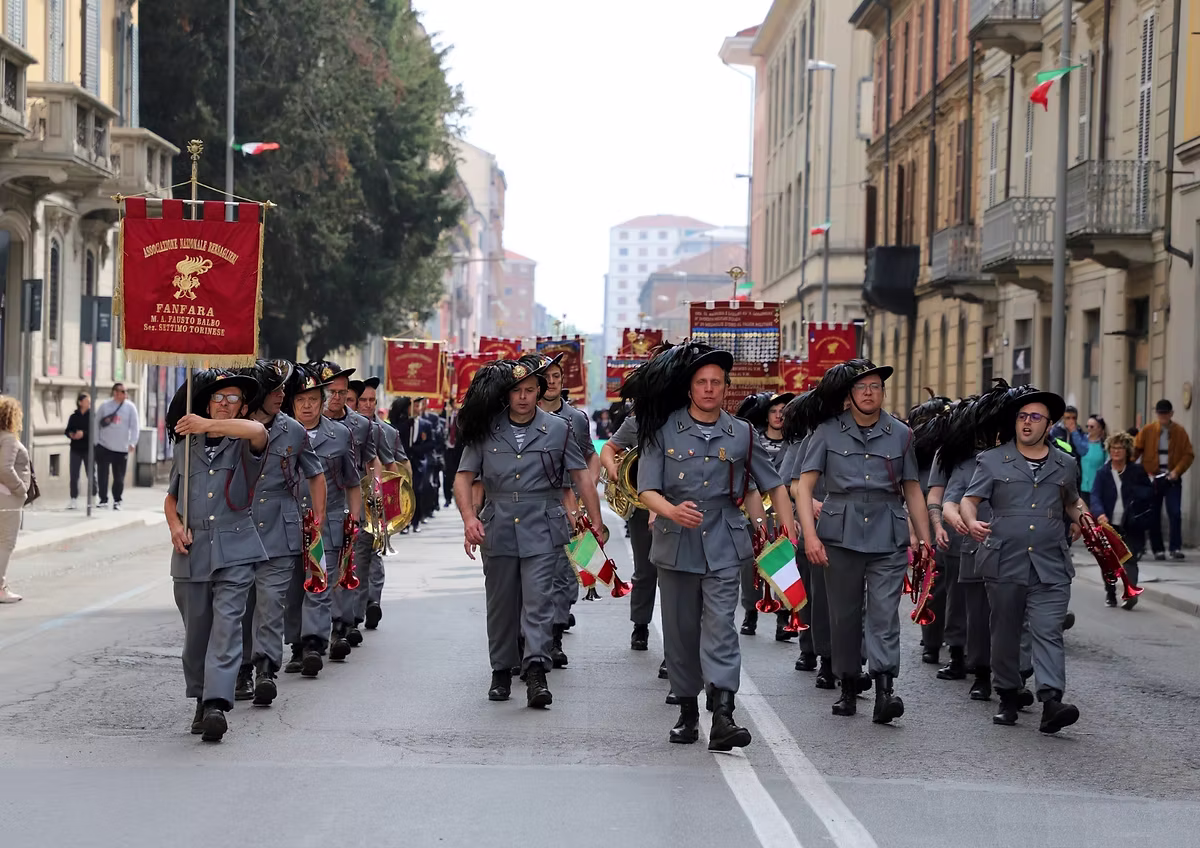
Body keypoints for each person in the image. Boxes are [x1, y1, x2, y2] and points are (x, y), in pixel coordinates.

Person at [631, 342, 794, 750]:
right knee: (682, 631)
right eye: (701, 382)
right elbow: (646, 489)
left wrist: (782, 530)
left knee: (721, 625)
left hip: (725, 538)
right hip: (675, 541)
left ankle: (723, 713)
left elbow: (769, 483)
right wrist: (670, 511)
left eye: (716, 383)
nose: (708, 389)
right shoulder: (661, 429)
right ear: (690, 389)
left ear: (726, 389)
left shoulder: (741, 434)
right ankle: (688, 713)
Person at [453, 358, 601, 709]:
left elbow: (580, 476)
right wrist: (468, 518)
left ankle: (536, 672)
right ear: (507, 394)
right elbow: (464, 475)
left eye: (530, 390)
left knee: (539, 602)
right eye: (517, 391)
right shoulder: (486, 428)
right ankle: (502, 671)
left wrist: (594, 522)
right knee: (502, 604)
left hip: (544, 523)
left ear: (541, 391)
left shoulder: (559, 428)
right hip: (498, 523)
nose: (523, 397)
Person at [795, 359, 932, 723]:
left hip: (888, 532)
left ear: (883, 393)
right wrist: (810, 534)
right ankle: (848, 685)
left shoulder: (901, 434)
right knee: (844, 615)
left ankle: (885, 689)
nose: (869, 393)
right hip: (839, 534)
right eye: (861, 387)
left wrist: (924, 537)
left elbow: (913, 489)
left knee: (885, 614)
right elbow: (804, 485)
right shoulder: (827, 432)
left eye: (875, 387)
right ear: (849, 395)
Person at [960, 387, 1086, 734]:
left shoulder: (1065, 463)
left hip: (1050, 563)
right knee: (1005, 631)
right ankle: (1007, 694)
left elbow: (1072, 503)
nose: (1027, 423)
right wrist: (971, 521)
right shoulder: (992, 460)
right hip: (1004, 560)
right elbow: (971, 500)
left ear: (1049, 425)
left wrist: (1084, 520)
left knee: (1048, 630)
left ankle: (1051, 701)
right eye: (1022, 416)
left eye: (1035, 417)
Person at [165, 370, 269, 742]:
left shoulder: (246, 442)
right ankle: (200, 697)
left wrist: (209, 422)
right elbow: (172, 497)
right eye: (218, 398)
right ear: (206, 401)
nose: (224, 404)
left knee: (227, 628)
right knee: (197, 633)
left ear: (243, 407)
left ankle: (216, 705)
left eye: (232, 399)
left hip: (236, 547)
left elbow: (257, 433)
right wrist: (175, 525)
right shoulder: (185, 446)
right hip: (192, 551)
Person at [233, 360, 327, 706]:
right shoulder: (234, 426)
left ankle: (266, 669)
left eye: (283, 388)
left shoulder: (293, 430)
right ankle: (241, 667)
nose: (282, 395)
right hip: (239, 523)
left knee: (271, 604)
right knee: (241, 604)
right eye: (275, 390)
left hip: (280, 526)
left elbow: (315, 473)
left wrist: (316, 518)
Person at [282, 365, 361, 675]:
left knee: (319, 584)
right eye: (301, 398)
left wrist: (354, 520)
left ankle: (314, 643)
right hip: (287, 522)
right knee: (291, 588)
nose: (307, 405)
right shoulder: (280, 432)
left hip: (325, 524)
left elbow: (352, 480)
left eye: (313, 398)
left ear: (323, 400)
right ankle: (297, 646)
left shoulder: (340, 435)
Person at [523, 351, 598, 663]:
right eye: (547, 377)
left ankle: (554, 635)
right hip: (529, 506)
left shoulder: (576, 419)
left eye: (557, 377)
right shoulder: (521, 413)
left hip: (566, 506)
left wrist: (587, 489)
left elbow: (589, 456)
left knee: (563, 572)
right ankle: (525, 637)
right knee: (530, 575)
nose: (552, 382)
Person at [310, 359, 379, 650]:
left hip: (345, 501)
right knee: (314, 572)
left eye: (341, 392)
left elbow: (370, 460)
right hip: (307, 507)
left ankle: (342, 625)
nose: (336, 398)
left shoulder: (360, 425)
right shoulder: (303, 423)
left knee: (346, 563)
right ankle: (309, 637)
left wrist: (374, 495)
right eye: (331, 392)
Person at [734, 390, 795, 640]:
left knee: (782, 565)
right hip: (753, 510)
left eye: (783, 411)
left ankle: (783, 618)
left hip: (780, 514)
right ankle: (751, 612)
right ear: (766, 415)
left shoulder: (794, 443)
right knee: (751, 565)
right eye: (773, 410)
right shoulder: (753, 439)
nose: (779, 415)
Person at [1089, 431, 1153, 609]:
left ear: (1127, 451)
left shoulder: (1136, 471)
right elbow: (1095, 496)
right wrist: (1099, 513)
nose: (1116, 451)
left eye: (1120, 448)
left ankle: (1131, 593)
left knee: (1130, 559)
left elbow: (1148, 494)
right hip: (1108, 524)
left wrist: (1137, 502)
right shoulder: (1103, 473)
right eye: (1113, 448)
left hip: (1131, 524)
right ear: (1109, 450)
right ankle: (1110, 593)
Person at [1133, 399, 1193, 560]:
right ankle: (1158, 549)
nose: (1163, 416)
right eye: (1160, 413)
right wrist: (1131, 468)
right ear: (1157, 414)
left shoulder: (1180, 432)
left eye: (1166, 413)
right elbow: (1136, 449)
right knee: (1154, 514)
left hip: (1172, 477)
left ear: (1171, 414)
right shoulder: (1148, 430)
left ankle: (1175, 547)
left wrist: (1177, 471)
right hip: (1154, 477)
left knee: (1175, 512)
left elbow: (1188, 454)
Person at [0, 396, 31, 603]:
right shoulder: (9, 439)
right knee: (6, 542)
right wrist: (21, 489)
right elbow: (4, 468)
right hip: (8, 497)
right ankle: (0, 588)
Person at [95, 382, 140, 510]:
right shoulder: (105, 406)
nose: (126, 394)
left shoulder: (130, 407)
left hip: (122, 447)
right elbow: (96, 423)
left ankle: (117, 500)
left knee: (119, 477)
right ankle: (103, 499)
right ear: (115, 393)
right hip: (104, 446)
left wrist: (132, 442)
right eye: (123, 391)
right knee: (102, 475)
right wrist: (96, 442)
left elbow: (135, 426)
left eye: (126, 391)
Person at [64, 392, 94, 509]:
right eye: (86, 401)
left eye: (89, 401)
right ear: (80, 402)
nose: (89, 403)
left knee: (91, 474)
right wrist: (71, 434)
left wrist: (84, 434)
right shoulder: (74, 416)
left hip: (88, 449)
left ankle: (93, 497)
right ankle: (73, 499)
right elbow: (67, 430)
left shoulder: (92, 416)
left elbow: (94, 431)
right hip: (75, 448)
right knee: (74, 475)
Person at [1080, 416, 1109, 508]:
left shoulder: (1105, 446)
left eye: (1092, 427)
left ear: (1100, 429)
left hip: (1098, 488)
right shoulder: (1081, 442)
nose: (1088, 429)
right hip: (1082, 487)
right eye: (1087, 426)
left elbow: (1108, 465)